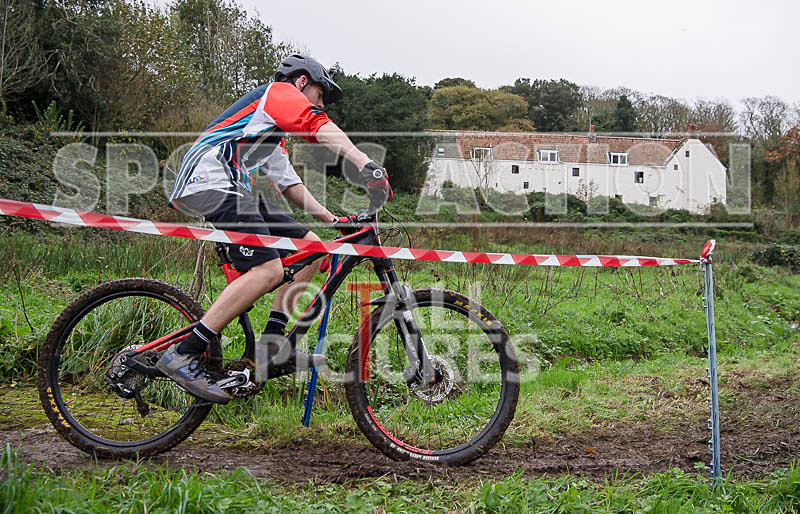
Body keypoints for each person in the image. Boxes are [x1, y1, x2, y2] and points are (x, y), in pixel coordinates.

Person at [157, 55, 392, 403]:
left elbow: (289, 185)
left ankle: (270, 349)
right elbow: (316, 123)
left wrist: (332, 220)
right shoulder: (275, 94)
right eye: (319, 92)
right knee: (267, 269)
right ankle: (186, 352)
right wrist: (366, 164)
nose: (320, 101)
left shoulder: (268, 132)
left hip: (233, 189)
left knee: (314, 250)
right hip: (206, 184)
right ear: (300, 82)